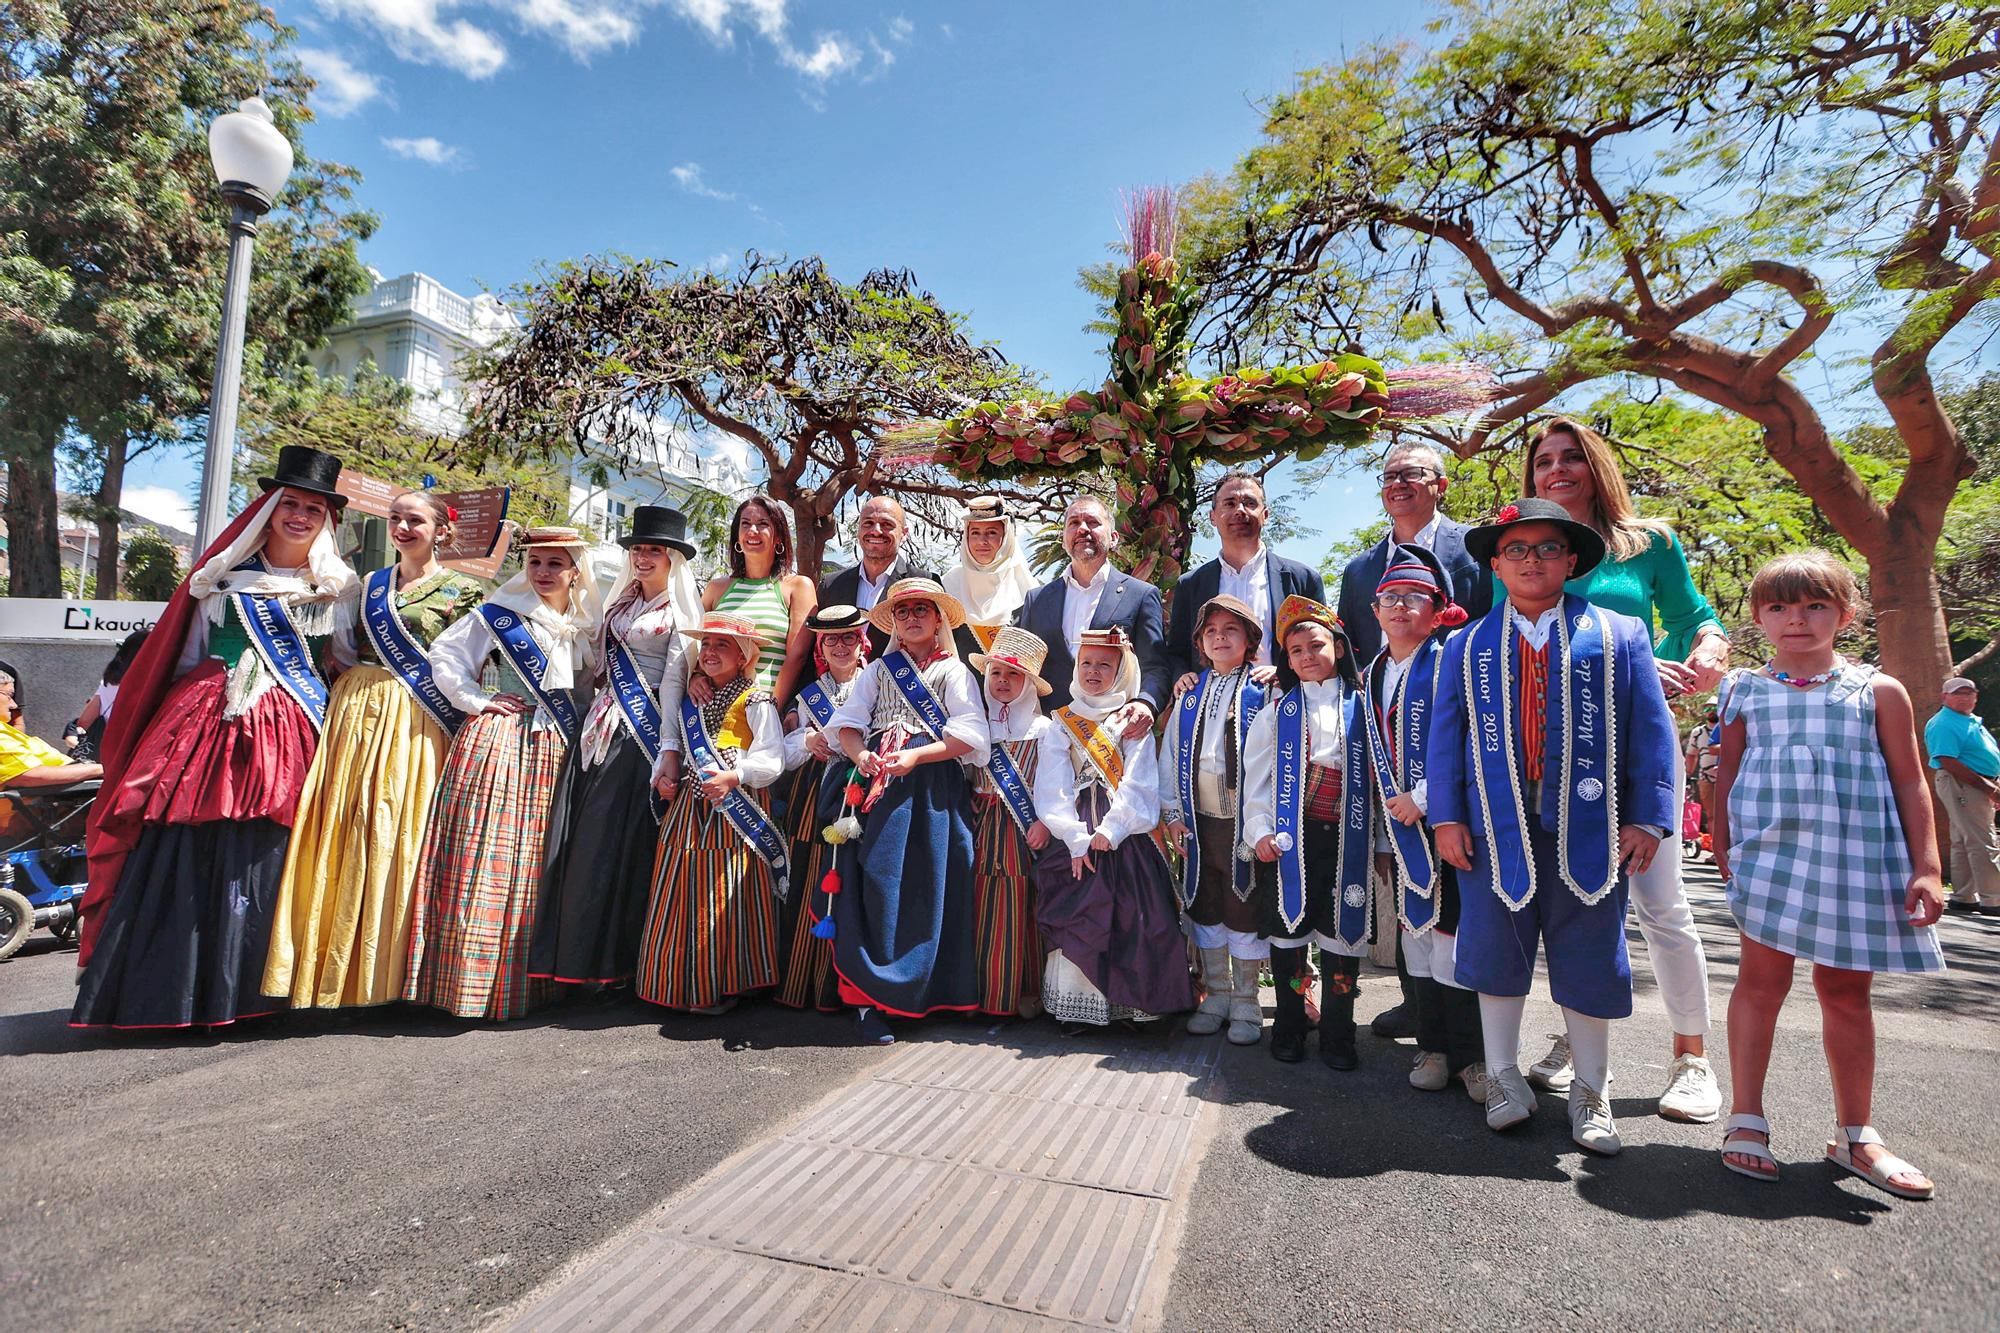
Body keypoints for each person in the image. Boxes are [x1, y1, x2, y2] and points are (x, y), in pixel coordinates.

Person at [73, 445, 357, 1029]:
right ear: (270, 508)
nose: (300, 516)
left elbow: (343, 662)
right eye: (291, 503)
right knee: (186, 837)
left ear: (328, 519)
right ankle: (168, 989)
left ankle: (261, 990)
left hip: (293, 721)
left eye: (314, 508)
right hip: (210, 718)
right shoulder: (221, 576)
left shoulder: (339, 588)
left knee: (273, 841)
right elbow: (188, 654)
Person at [1428, 498, 1679, 1155]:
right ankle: (1506, 1076)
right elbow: (1445, 737)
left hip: (1590, 827)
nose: (1531, 559)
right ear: (1495, 563)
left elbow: (1650, 733)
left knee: (1590, 955)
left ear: (1571, 560)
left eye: (1546, 548)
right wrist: (1448, 816)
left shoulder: (1620, 633)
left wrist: (1650, 817)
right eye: (1516, 549)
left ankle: (1591, 1087)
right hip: (1492, 829)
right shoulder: (1466, 643)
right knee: (1494, 953)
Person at [1517, 416, 1728, 1124]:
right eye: (1544, 459)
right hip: (1548, 749)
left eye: (1572, 456)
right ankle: (1578, 1043)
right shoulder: (1525, 547)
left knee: (1661, 903)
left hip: (1639, 743)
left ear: (1596, 464)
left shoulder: (1650, 542)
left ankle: (1692, 1056)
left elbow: (1699, 616)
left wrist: (1709, 649)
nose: (1557, 469)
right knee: (1571, 902)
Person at [1714, 551, 1943, 1199]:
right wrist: (1722, 839)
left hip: (1856, 857)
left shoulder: (1878, 690)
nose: (1797, 619)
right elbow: (1727, 774)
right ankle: (1746, 1118)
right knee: (1761, 981)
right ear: (1759, 616)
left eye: (1816, 604)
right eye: (1780, 606)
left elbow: (1910, 779)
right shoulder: (1742, 690)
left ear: (1845, 613)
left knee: (1845, 991)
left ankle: (1855, 1134)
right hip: (1770, 855)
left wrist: (1927, 867)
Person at [263, 489, 486, 1009]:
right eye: (396, 519)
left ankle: (391, 976)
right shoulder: (368, 585)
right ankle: (328, 973)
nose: (403, 528)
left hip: (419, 717)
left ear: (441, 532)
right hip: (357, 709)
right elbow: (340, 650)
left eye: (415, 520)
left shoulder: (468, 591)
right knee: (343, 826)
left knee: (399, 829)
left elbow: (476, 665)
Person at [402, 527, 602, 1022]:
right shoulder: (498, 615)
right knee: (485, 853)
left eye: (556, 564)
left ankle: (524, 985)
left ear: (575, 571)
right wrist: (478, 700)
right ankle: (466, 985)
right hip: (504, 741)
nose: (543, 572)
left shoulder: (582, 626)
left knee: (536, 862)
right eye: (535, 562)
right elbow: (445, 657)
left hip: (553, 748)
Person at [1336, 441, 1493, 1041]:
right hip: (1386, 751)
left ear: (1442, 483)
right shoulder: (1358, 571)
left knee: (1457, 898)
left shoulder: (1475, 553)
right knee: (1403, 886)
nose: (1398, 483)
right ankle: (1418, 1007)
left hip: (1454, 753)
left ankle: (1470, 1038)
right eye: (1389, 475)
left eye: (1413, 473)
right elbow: (1353, 659)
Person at [530, 506, 701, 992]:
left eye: (654, 550)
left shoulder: (679, 611)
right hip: (599, 726)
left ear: (672, 559)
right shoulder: (619, 602)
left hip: (639, 734)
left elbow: (674, 682)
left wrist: (669, 749)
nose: (644, 557)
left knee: (616, 845)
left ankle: (612, 966)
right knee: (583, 840)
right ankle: (573, 961)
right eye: (638, 549)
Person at [827, 578, 989, 1041]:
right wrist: (861, 755)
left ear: (938, 619)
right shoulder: (878, 670)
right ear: (893, 623)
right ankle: (870, 997)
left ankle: (928, 991)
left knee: (933, 881)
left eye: (922, 609)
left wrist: (919, 754)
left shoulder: (955, 673)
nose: (913, 617)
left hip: (933, 788)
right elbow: (848, 726)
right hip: (879, 786)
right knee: (879, 880)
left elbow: (972, 737)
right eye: (903, 611)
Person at [1355, 550, 1486, 1098]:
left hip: (1450, 824)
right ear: (1375, 609)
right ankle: (1433, 1046)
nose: (1401, 607)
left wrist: (1426, 798)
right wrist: (1384, 834)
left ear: (1437, 609)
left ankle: (1474, 1058)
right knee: (1417, 942)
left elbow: (1475, 737)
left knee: (1456, 940)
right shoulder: (1369, 675)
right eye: (1390, 599)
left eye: (1415, 598)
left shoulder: (1454, 657)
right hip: (1399, 833)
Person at [1033, 627, 1195, 1030]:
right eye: (1086, 662)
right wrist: (1074, 837)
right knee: (1078, 914)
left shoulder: (1131, 722)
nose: (1093, 670)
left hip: (1123, 834)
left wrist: (1112, 829)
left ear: (1122, 671)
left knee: (1134, 918)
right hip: (1074, 834)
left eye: (1105, 664)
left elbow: (1141, 781)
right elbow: (1050, 788)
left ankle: (1132, 1005)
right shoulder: (1059, 723)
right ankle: (1078, 1008)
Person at [1240, 595, 1375, 1068]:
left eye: (1315, 645)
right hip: (1291, 839)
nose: (1306, 657)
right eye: (1295, 651)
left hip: (1347, 836)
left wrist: (1376, 842)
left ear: (1337, 647)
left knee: (1342, 933)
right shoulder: (1278, 713)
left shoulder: (1364, 705)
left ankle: (1339, 1032)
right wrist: (1257, 829)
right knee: (1289, 932)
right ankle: (1291, 1024)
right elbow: (1256, 779)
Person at [636, 612, 787, 1013]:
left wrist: (737, 776)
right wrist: (667, 777)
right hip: (692, 804)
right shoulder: (693, 697)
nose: (710, 652)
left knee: (725, 889)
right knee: (682, 885)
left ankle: (724, 982)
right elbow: (680, 746)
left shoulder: (756, 699)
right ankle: (678, 979)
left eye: (723, 645)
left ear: (743, 657)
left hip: (735, 807)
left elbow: (773, 757)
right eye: (706, 645)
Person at [1159, 594, 1271, 1045]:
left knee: (1242, 905)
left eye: (1231, 630)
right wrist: (1171, 816)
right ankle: (1218, 996)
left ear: (1250, 641)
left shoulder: (1267, 690)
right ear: (1201, 643)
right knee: (1205, 904)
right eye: (1211, 631)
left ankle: (1247, 1003)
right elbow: (1169, 759)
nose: (1220, 637)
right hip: (1199, 821)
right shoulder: (1188, 696)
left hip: (1244, 822)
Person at [774, 605, 871, 1011]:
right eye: (831, 639)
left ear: (861, 641)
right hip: (813, 797)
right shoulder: (806, 696)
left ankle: (850, 989)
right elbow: (784, 748)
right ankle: (801, 985)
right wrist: (805, 742)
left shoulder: (877, 682)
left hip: (859, 794)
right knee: (808, 880)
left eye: (849, 637)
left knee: (854, 883)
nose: (841, 646)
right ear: (821, 646)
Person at [1017, 496, 1168, 737]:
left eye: (1092, 522)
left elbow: (1155, 667)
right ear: (1064, 539)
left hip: (1115, 734)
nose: (1082, 529)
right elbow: (1025, 670)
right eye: (1074, 523)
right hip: (1049, 732)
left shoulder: (1140, 595)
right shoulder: (1037, 600)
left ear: (1114, 538)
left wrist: (1145, 702)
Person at [967, 625, 1056, 1018]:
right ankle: (987, 994)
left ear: (1029, 685)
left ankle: (1026, 991)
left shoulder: (1045, 730)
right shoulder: (976, 725)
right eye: (996, 673)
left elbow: (1056, 784)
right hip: (983, 826)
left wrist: (1047, 824)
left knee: (1025, 908)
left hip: (1026, 831)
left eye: (1013, 674)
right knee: (983, 905)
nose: (1002, 681)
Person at [1164, 472, 1326, 688]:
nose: (1239, 511)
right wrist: (1182, 676)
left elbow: (1322, 646)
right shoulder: (1191, 585)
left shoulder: (1302, 579)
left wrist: (1287, 672)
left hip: (1285, 704)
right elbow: (1177, 652)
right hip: (1211, 711)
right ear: (1212, 517)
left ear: (1265, 514)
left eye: (1249, 503)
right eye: (1229, 503)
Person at [701, 495, 817, 702]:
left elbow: (796, 659)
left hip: (764, 709)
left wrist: (773, 708)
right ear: (737, 536)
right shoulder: (715, 589)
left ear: (779, 536)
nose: (752, 531)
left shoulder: (798, 587)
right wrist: (695, 678)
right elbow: (695, 648)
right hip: (713, 708)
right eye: (745, 524)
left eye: (763, 524)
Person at [819, 495, 935, 660]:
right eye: (868, 523)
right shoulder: (830, 586)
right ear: (858, 530)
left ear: (904, 533)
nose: (876, 531)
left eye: (887, 524)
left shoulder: (925, 583)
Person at [1925, 677, 2000, 915]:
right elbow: (1948, 760)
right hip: (1963, 783)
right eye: (1957, 693)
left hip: (1976, 783)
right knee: (1982, 840)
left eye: (1969, 692)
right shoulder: (1945, 723)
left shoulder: (1967, 721)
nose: (1964, 697)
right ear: (1944, 697)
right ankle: (1993, 898)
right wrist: (1989, 788)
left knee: (1963, 839)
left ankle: (1964, 896)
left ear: (1976, 697)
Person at [943, 493, 1038, 656]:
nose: (982, 541)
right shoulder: (948, 584)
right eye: (975, 533)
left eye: (992, 532)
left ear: (1006, 536)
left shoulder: (1027, 588)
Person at [0, 661, 102, 789]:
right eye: (9, 695)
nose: (14, 705)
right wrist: (100, 769)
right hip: (49, 803)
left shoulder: (5, 730)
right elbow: (29, 775)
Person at [66, 630, 147, 763]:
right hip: (134, 756)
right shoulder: (154, 685)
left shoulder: (110, 682)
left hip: (104, 753)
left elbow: (84, 721)